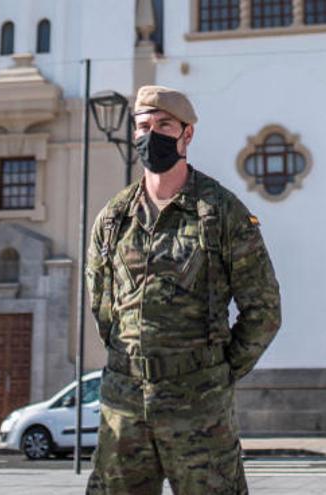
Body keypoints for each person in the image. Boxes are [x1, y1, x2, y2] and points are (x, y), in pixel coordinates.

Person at [85, 85, 282, 494]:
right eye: (142, 127)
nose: (150, 135)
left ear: (186, 134)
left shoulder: (221, 212)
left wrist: (219, 371)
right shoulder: (113, 218)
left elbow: (263, 309)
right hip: (124, 406)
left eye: (163, 125)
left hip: (199, 406)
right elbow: (103, 308)